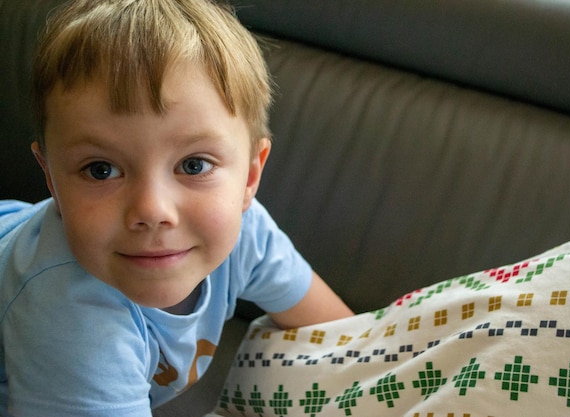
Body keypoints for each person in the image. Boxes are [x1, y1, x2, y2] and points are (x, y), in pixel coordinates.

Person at [0, 0, 353, 415]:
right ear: (51, 179)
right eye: (100, 170)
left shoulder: (245, 230)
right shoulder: (71, 322)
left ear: (249, 178)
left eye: (193, 165)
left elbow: (347, 340)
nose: (152, 209)